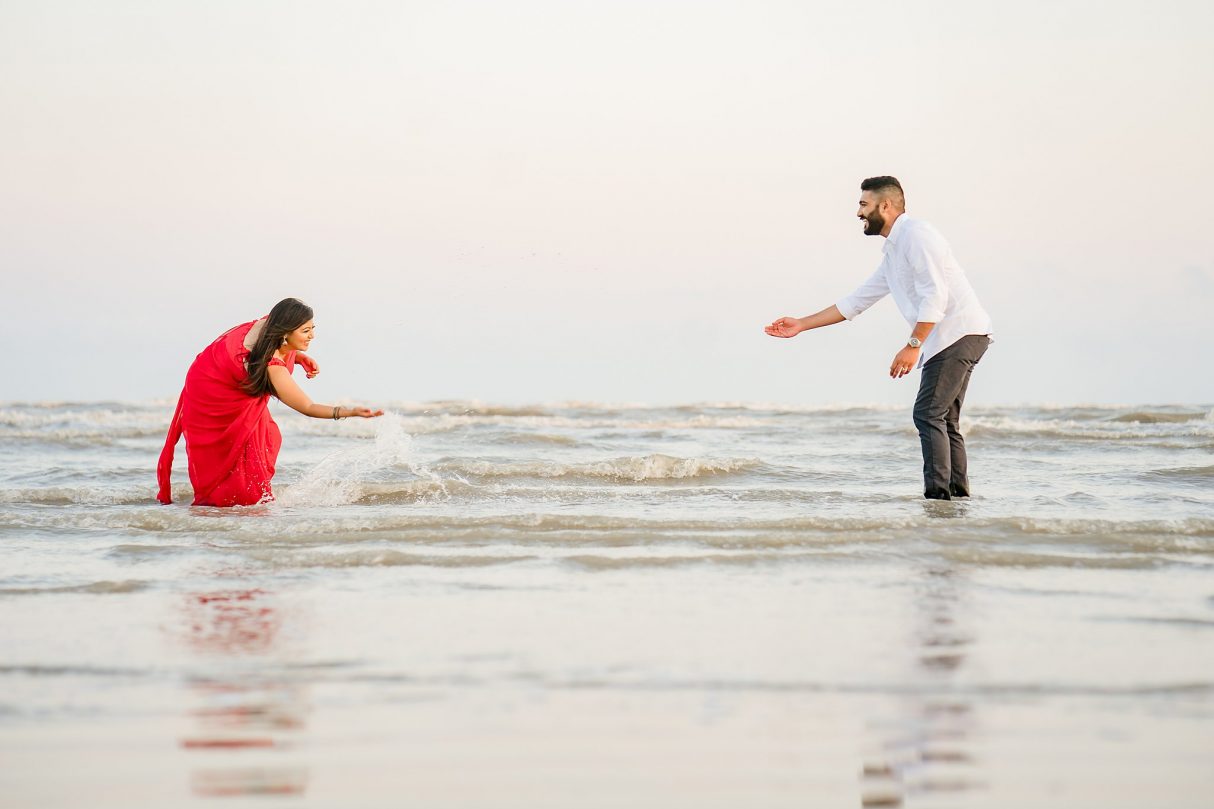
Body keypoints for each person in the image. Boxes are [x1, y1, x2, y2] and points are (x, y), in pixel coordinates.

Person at [765, 177, 993, 500]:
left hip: (957, 332)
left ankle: (938, 500)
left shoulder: (917, 235)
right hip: (955, 335)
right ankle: (955, 502)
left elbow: (936, 296)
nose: (858, 212)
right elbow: (856, 301)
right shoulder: (893, 253)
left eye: (863, 204)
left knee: (927, 413)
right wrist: (801, 324)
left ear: (885, 206)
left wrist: (913, 345)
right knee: (944, 419)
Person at [157, 298, 383, 506]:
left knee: (269, 436)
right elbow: (307, 407)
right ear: (284, 334)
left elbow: (275, 348)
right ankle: (233, 502)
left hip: (227, 377)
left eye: (313, 328)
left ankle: (245, 497)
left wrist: (299, 356)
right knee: (239, 452)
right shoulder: (271, 366)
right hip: (213, 392)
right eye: (305, 331)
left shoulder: (271, 328)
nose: (312, 336)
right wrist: (349, 412)